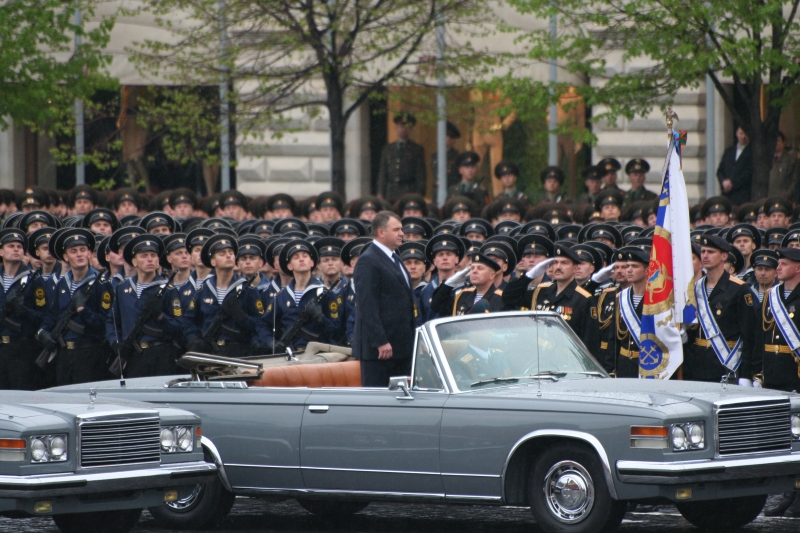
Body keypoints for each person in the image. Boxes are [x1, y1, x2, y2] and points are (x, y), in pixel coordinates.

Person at [754, 246, 800, 518]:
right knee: (784, 438)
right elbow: (761, 336)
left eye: (783, 263)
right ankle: (788, 492)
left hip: (794, 372)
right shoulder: (772, 296)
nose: (778, 267)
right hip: (775, 373)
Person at [37, 228, 111, 385]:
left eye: (83, 250)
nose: (79, 254)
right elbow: (52, 315)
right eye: (74, 251)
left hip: (89, 353)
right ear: (65, 257)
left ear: (90, 254)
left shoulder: (101, 284)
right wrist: (43, 331)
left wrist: (84, 311)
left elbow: (105, 322)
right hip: (64, 354)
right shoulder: (61, 284)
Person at [352, 211, 417, 387]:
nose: (402, 233)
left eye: (401, 229)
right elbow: (368, 305)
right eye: (396, 229)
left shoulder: (394, 257)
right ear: (381, 232)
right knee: (379, 403)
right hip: (380, 352)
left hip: (401, 346)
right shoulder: (369, 260)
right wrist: (380, 341)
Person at [502, 243, 600, 357]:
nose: (558, 267)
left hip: (567, 360)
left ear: (575, 268)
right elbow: (508, 297)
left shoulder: (584, 299)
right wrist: (528, 276)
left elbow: (589, 343)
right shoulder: (541, 292)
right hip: (538, 358)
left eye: (564, 263)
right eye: (555, 262)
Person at [106, 235, 181, 378]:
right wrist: (116, 343)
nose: (150, 259)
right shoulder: (123, 289)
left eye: (153, 255)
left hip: (161, 354)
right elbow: (113, 320)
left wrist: (160, 316)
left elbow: (179, 327)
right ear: (134, 261)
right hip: (133, 354)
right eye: (144, 256)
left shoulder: (168, 289)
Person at [684, 235, 756, 383]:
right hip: (695, 365)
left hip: (724, 364)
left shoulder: (739, 289)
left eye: (710, 252)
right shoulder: (694, 288)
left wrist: (746, 375)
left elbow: (749, 334)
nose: (705, 255)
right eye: (703, 251)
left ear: (724, 256)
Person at [182, 234, 268, 357]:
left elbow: (261, 324)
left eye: (231, 252)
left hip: (240, 351)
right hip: (209, 352)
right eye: (222, 253)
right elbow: (188, 321)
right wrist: (193, 340)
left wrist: (242, 317)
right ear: (213, 261)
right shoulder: (204, 289)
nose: (228, 255)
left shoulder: (247, 289)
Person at [264, 239, 342, 353]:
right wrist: (270, 342)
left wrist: (321, 318)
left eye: (305, 256)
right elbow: (263, 324)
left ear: (312, 263)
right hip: (288, 354)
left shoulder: (324, 293)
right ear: (290, 266)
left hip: (317, 355)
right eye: (296, 257)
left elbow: (337, 331)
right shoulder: (281, 296)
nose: (301, 259)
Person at [0, 229, 45, 390]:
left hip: (23, 348)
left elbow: (43, 317)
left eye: (19, 246)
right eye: (11, 246)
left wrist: (24, 310)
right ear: (1, 251)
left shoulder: (34, 280)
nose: (16, 249)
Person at [431, 252, 506, 315]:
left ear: (492, 275)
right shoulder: (462, 295)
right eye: (472, 268)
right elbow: (437, 306)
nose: (474, 271)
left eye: (480, 268)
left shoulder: (501, 298)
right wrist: (448, 285)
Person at [377, 112, 427, 203]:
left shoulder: (416, 149)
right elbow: (383, 173)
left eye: (407, 126)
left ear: (411, 129)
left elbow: (420, 174)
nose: (404, 129)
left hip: (408, 191)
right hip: (391, 192)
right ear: (396, 127)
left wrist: (419, 194)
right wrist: (380, 192)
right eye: (401, 126)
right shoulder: (387, 149)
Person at [716, 126, 753, 205]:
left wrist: (732, 183)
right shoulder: (729, 151)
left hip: (742, 195)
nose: (743, 136)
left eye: (745, 134)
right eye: (741, 133)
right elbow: (720, 171)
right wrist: (723, 182)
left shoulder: (752, 152)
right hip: (727, 195)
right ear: (736, 134)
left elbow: (748, 172)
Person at [766, 132, 799, 199]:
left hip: (784, 199)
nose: (775, 143)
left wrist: (786, 195)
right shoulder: (766, 160)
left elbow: (795, 181)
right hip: (767, 199)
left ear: (783, 143)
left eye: (778, 141)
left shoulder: (791, 160)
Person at [431, 121, 462, 193]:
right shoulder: (434, 156)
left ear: (452, 140)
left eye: (446, 136)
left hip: (451, 192)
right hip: (437, 192)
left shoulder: (457, 156)